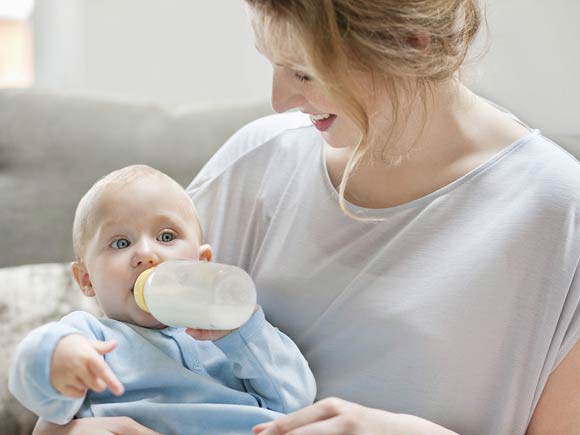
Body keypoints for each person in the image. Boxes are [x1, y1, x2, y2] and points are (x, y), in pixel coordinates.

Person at [34, 0, 580, 434]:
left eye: (303, 72)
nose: (277, 100)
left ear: (412, 46)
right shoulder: (260, 162)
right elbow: (102, 363)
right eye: (273, 64)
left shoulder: (558, 216)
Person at [11, 164, 316, 435]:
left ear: (202, 262)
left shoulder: (234, 335)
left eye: (167, 237)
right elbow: (44, 397)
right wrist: (57, 355)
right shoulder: (91, 336)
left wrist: (244, 330)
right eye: (121, 242)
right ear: (87, 280)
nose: (146, 254)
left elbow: (295, 400)